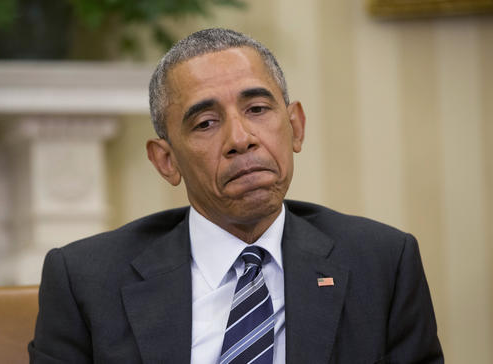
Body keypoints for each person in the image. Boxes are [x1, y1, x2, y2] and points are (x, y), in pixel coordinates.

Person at [29, 28, 443, 364]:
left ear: (295, 127)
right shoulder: (85, 279)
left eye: (258, 109)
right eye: (206, 123)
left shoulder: (382, 262)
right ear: (166, 161)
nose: (240, 140)